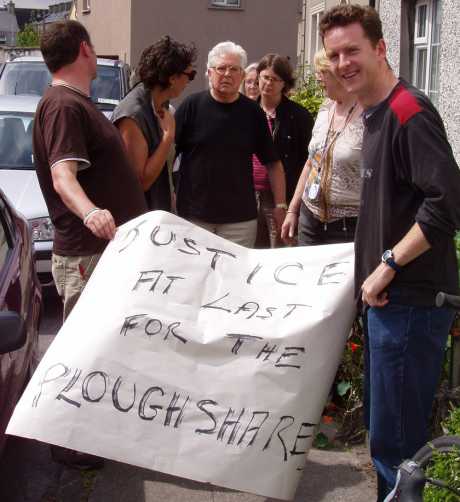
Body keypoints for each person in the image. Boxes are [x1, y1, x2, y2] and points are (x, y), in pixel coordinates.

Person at [319, 5, 460, 500]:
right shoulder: (373, 113)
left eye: (352, 50)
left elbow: (446, 206)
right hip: (390, 305)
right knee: (390, 445)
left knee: (398, 451)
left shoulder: (408, 112)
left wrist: (388, 265)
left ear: (380, 48)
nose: (342, 63)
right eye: (335, 54)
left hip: (412, 304)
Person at [33, 20, 147, 468]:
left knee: (104, 349)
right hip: (86, 252)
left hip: (102, 253)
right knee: (83, 351)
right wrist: (91, 211)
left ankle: (92, 435)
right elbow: (64, 176)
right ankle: (67, 441)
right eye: (94, 46)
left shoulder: (76, 102)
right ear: (84, 49)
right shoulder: (63, 105)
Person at [174, 41, 286, 248]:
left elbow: (273, 163)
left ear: (242, 76)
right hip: (194, 215)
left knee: (235, 278)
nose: (227, 74)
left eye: (234, 69)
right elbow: (169, 155)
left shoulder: (253, 113)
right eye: (221, 68)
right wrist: (170, 196)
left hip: (240, 220)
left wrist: (280, 205)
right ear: (209, 72)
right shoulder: (191, 106)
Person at [281, 49, 363, 246]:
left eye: (321, 72)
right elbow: (311, 162)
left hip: (349, 226)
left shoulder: (368, 114)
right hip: (310, 219)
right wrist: (293, 209)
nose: (317, 77)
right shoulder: (326, 107)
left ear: (337, 74)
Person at [112, 36, 197, 211]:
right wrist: (168, 138)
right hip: (138, 219)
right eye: (190, 75)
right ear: (173, 78)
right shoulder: (133, 114)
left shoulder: (161, 105)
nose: (189, 82)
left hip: (158, 212)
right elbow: (140, 182)